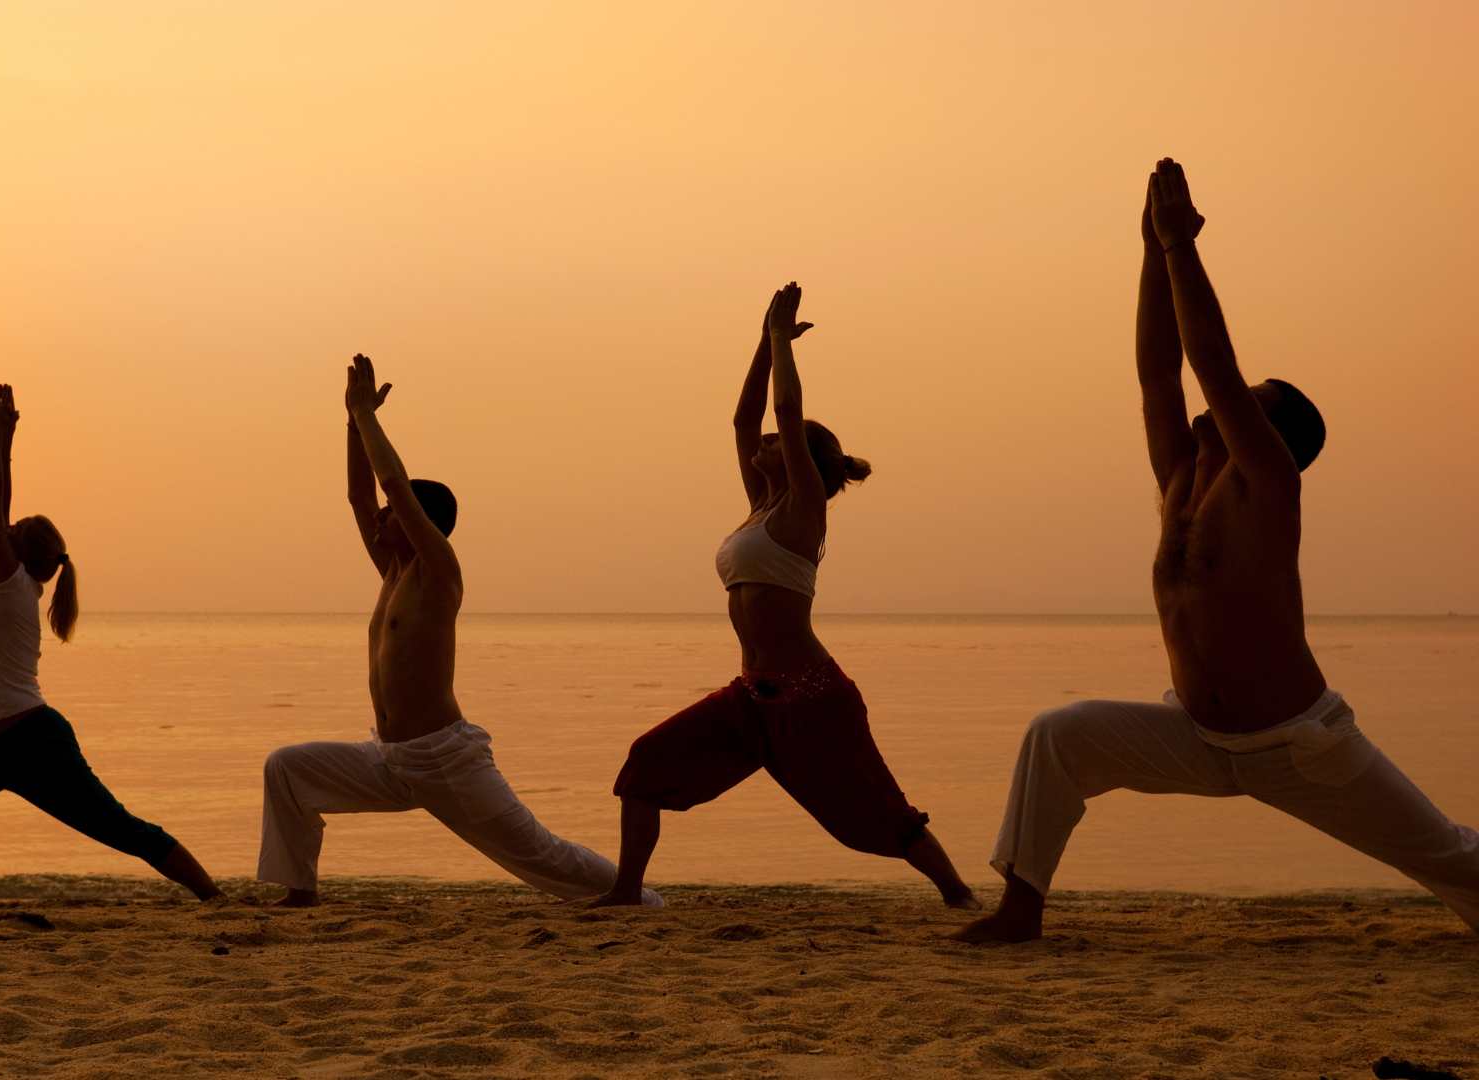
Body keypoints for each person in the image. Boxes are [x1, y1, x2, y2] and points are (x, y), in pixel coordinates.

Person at [953, 160, 1479, 943]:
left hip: (1300, 747)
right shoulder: (1180, 482)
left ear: (1271, 437)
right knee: (1058, 736)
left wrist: (1178, 247)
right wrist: (1145, 252)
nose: (1217, 408)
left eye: (1249, 406)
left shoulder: (1267, 482)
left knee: (1450, 859)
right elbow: (1157, 374)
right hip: (1198, 738)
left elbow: (1210, 364)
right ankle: (1021, 911)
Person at [591, 284, 978, 909]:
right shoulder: (758, 506)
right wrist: (761, 342)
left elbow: (788, 417)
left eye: (778, 442)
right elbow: (744, 420)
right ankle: (627, 891)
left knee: (875, 816)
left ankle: (957, 893)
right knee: (646, 765)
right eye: (767, 442)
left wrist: (781, 341)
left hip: (814, 698)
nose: (764, 441)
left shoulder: (804, 507)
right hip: (751, 698)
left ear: (803, 461)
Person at [258, 354, 659, 907]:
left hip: (445, 760)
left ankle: (637, 898)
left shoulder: (438, 571)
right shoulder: (393, 573)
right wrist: (352, 424)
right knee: (288, 768)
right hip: (391, 759)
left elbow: (393, 484)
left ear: (420, 522)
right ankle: (300, 892)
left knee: (539, 854)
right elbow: (360, 496)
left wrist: (369, 417)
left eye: (391, 514)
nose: (378, 518)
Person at [0, 385, 221, 905]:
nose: (4, 527)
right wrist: (8, 437)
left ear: (18, 551)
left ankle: (212, 894)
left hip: (33, 744)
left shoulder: (11, 586)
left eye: (11, 530)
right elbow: (1, 504)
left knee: (118, 827)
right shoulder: (9, 583)